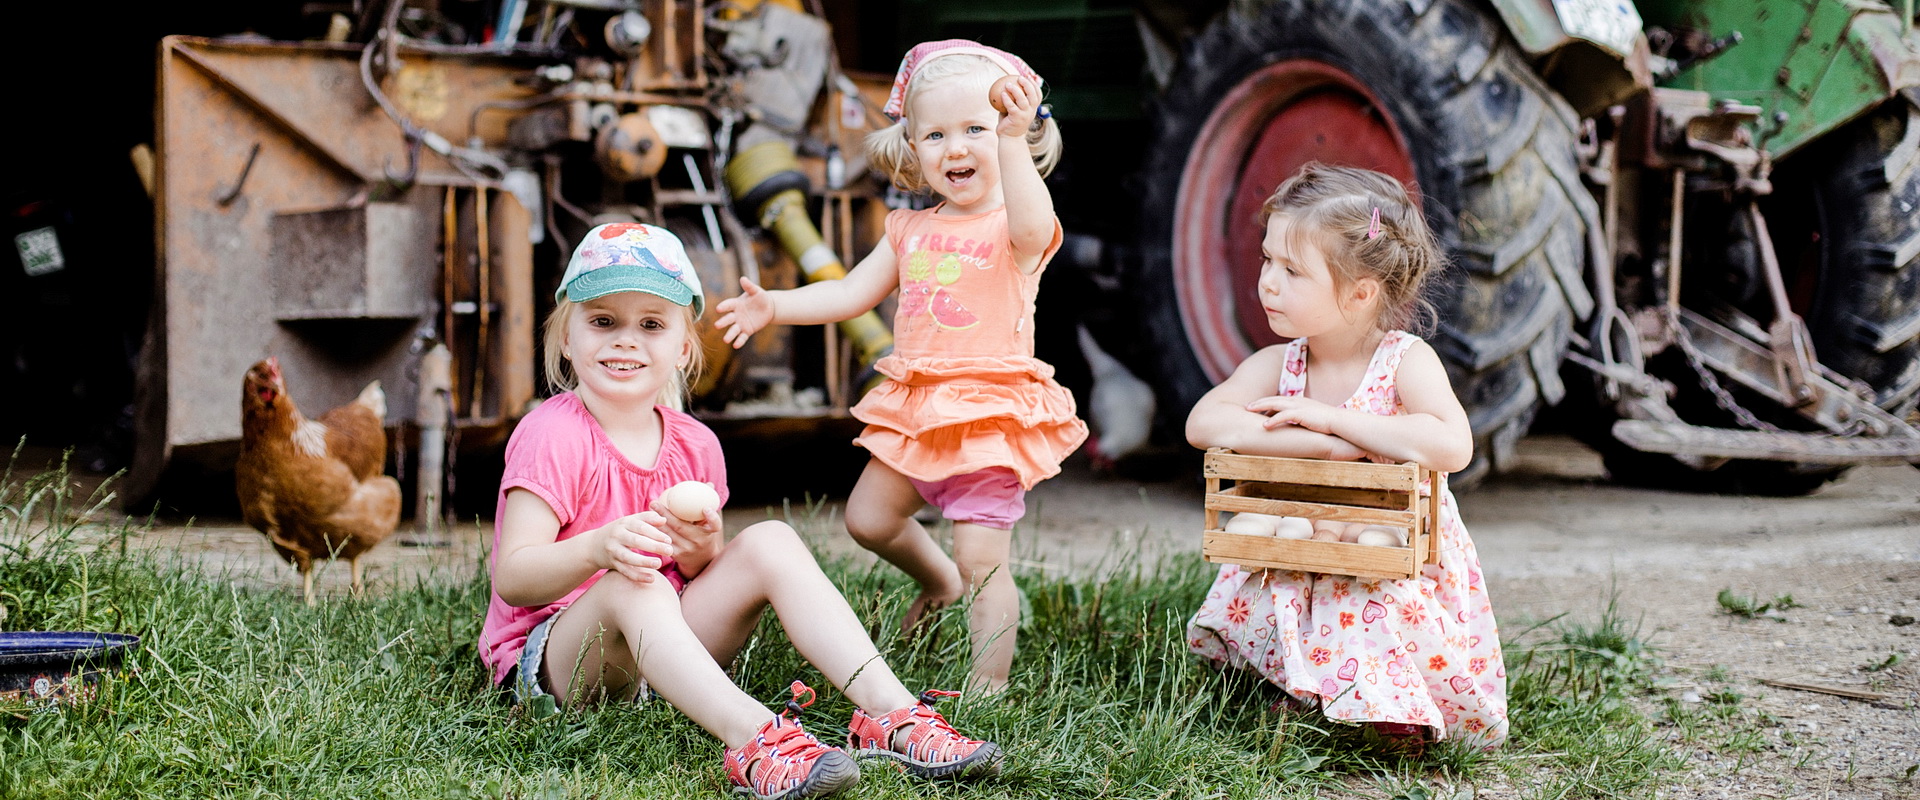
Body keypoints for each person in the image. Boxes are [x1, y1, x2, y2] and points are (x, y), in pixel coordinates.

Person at [479, 222, 1004, 800]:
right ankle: (757, 739)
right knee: (635, 582)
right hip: (558, 664)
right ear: (565, 339)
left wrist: (700, 547)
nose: (626, 340)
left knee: (770, 540)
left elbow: (701, 574)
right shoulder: (552, 433)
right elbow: (514, 576)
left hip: (665, 651)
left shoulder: (695, 445)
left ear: (683, 347)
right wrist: (596, 548)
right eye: (603, 321)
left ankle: (892, 714)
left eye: (651, 324)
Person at [714, 40, 1086, 695]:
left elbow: (1033, 224)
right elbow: (849, 294)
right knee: (867, 520)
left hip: (983, 415)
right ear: (912, 148)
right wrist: (774, 304)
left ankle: (987, 688)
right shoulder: (907, 230)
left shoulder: (1014, 224)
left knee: (983, 563)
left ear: (1013, 135)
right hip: (916, 411)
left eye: (976, 128)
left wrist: (1009, 140)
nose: (957, 147)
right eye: (935, 134)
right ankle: (934, 578)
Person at [1183, 163, 1508, 750]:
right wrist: (1319, 444)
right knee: (1280, 581)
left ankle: (1390, 713)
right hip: (1301, 539)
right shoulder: (1279, 364)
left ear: (1361, 292)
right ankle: (1297, 691)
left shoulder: (1403, 361)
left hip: (1383, 546)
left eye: (1293, 271)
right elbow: (1205, 422)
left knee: (1371, 609)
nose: (1268, 283)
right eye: (1267, 260)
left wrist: (1339, 421)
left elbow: (1453, 443)